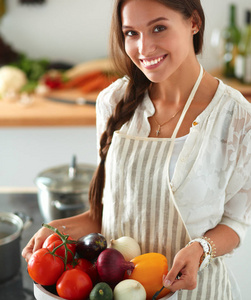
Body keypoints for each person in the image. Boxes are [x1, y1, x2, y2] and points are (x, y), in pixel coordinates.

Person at [22, 0, 251, 299]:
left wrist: (201, 249)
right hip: (123, 292)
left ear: (193, 22)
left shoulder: (236, 116)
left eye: (158, 28)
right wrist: (57, 230)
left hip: (198, 291)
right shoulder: (113, 101)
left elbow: (235, 222)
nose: (144, 48)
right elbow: (111, 214)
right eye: (131, 33)